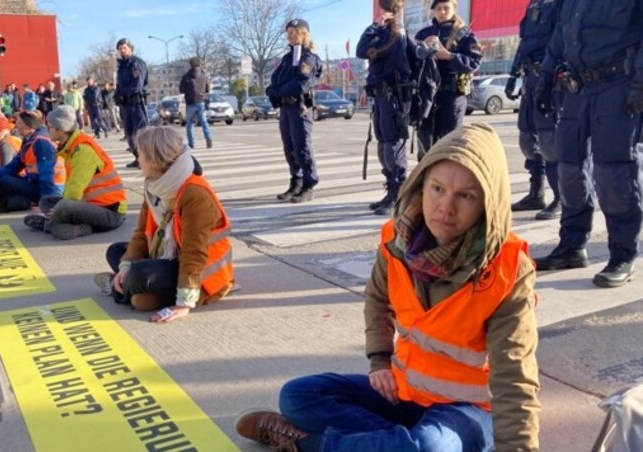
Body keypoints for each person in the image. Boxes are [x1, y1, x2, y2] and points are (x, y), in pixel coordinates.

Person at [236, 123, 540, 451]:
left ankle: (308, 445)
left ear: (487, 204)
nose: (445, 208)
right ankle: (392, 444)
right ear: (422, 186)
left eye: (465, 196)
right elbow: (378, 298)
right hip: (406, 390)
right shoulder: (398, 240)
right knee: (298, 396)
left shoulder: (507, 269)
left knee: (428, 446)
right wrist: (380, 360)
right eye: (437, 189)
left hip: (468, 409)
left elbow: (514, 377)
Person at [533, 0, 643, 288]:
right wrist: (545, 79)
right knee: (568, 169)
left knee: (613, 172)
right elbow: (559, 38)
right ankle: (571, 246)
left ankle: (622, 254)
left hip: (618, 85)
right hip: (577, 89)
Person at [92, 126, 234, 323]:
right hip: (169, 257)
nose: (137, 159)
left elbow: (194, 251)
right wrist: (126, 267)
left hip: (203, 275)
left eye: (139, 154)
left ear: (153, 159)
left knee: (141, 273)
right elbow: (142, 231)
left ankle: (121, 287)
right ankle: (130, 287)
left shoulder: (194, 193)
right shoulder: (155, 185)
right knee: (116, 252)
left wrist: (184, 303)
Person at [23, 105, 127, 240]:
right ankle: (55, 222)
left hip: (110, 212)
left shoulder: (82, 150)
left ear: (61, 129)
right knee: (46, 202)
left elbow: (74, 189)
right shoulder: (70, 147)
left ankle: (52, 225)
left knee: (63, 209)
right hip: (91, 204)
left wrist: (60, 208)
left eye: (50, 126)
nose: (47, 130)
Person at [505, 0, 564, 221]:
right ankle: (536, 193)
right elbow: (523, 43)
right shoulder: (533, 5)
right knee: (527, 139)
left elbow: (563, 42)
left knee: (549, 142)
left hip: (549, 78)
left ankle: (561, 197)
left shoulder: (561, 4)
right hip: (530, 78)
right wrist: (513, 75)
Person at [357, 0, 413, 215]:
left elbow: (364, 51)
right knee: (383, 145)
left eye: (387, 8)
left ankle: (399, 194)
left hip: (394, 95)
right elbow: (361, 50)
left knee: (392, 145)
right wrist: (375, 26)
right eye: (383, 8)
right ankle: (391, 190)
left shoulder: (396, 32)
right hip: (381, 96)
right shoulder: (381, 31)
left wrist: (376, 27)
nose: (383, 13)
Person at [414, 0, 482, 160]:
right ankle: (425, 180)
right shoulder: (424, 34)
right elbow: (411, 63)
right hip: (427, 96)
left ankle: (446, 181)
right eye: (438, 8)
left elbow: (474, 63)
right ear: (434, 11)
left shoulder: (464, 34)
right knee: (425, 142)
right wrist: (421, 49)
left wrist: (450, 56)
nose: (442, 12)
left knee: (448, 143)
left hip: (452, 95)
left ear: (453, 9)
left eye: (446, 8)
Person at [266, 19, 323, 203]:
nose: (289, 36)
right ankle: (296, 182)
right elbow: (275, 79)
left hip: (300, 107)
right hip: (286, 107)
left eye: (294, 32)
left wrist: (280, 90)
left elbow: (301, 83)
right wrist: (273, 92)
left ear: (304, 34)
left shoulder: (308, 58)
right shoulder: (287, 58)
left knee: (302, 146)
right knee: (289, 146)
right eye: (288, 32)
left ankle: (309, 183)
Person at [0, 110, 64, 212]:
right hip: (35, 182)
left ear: (29, 126)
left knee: (5, 181)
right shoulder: (29, 140)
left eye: (19, 123)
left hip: (51, 189)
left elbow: (47, 176)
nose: (16, 125)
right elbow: (14, 166)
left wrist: (46, 203)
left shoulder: (41, 142)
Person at [114, 38, 149, 168]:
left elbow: (137, 85)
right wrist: (117, 95)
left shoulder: (136, 64)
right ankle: (138, 158)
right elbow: (120, 85)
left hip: (136, 103)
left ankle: (147, 159)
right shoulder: (122, 67)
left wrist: (123, 94)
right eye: (120, 48)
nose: (122, 50)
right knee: (129, 134)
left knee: (141, 133)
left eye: (124, 48)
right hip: (126, 104)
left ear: (130, 49)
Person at [179, 57, 213, 150]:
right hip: (201, 101)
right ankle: (208, 138)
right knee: (204, 121)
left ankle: (191, 143)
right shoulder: (204, 76)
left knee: (189, 123)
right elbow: (207, 89)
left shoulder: (186, 77)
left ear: (190, 65)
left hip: (190, 102)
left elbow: (181, 90)